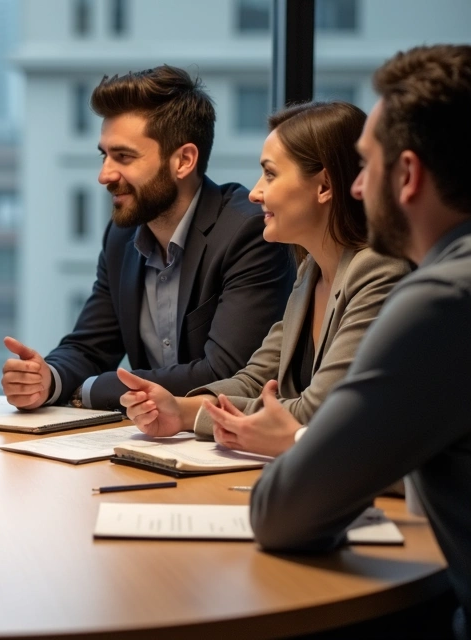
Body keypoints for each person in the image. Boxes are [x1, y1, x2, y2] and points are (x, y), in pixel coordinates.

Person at [201, 45, 471, 637]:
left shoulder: (441, 300)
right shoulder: (319, 274)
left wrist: (295, 437)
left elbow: (283, 515)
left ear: (408, 176)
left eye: (367, 166)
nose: (356, 188)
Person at [117, 101, 412, 456]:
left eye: (270, 174)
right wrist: (177, 410)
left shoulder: (378, 271)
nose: (255, 192)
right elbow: (254, 379)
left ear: (323, 186)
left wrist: (193, 415)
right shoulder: (310, 273)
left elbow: (315, 413)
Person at [1, 65, 295, 412]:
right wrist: (47, 379)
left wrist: (90, 390)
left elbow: (224, 373)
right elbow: (90, 347)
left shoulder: (248, 234)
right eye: (104, 155)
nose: (104, 175)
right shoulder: (121, 236)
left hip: (227, 447)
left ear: (184, 160)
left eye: (123, 156)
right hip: (149, 440)